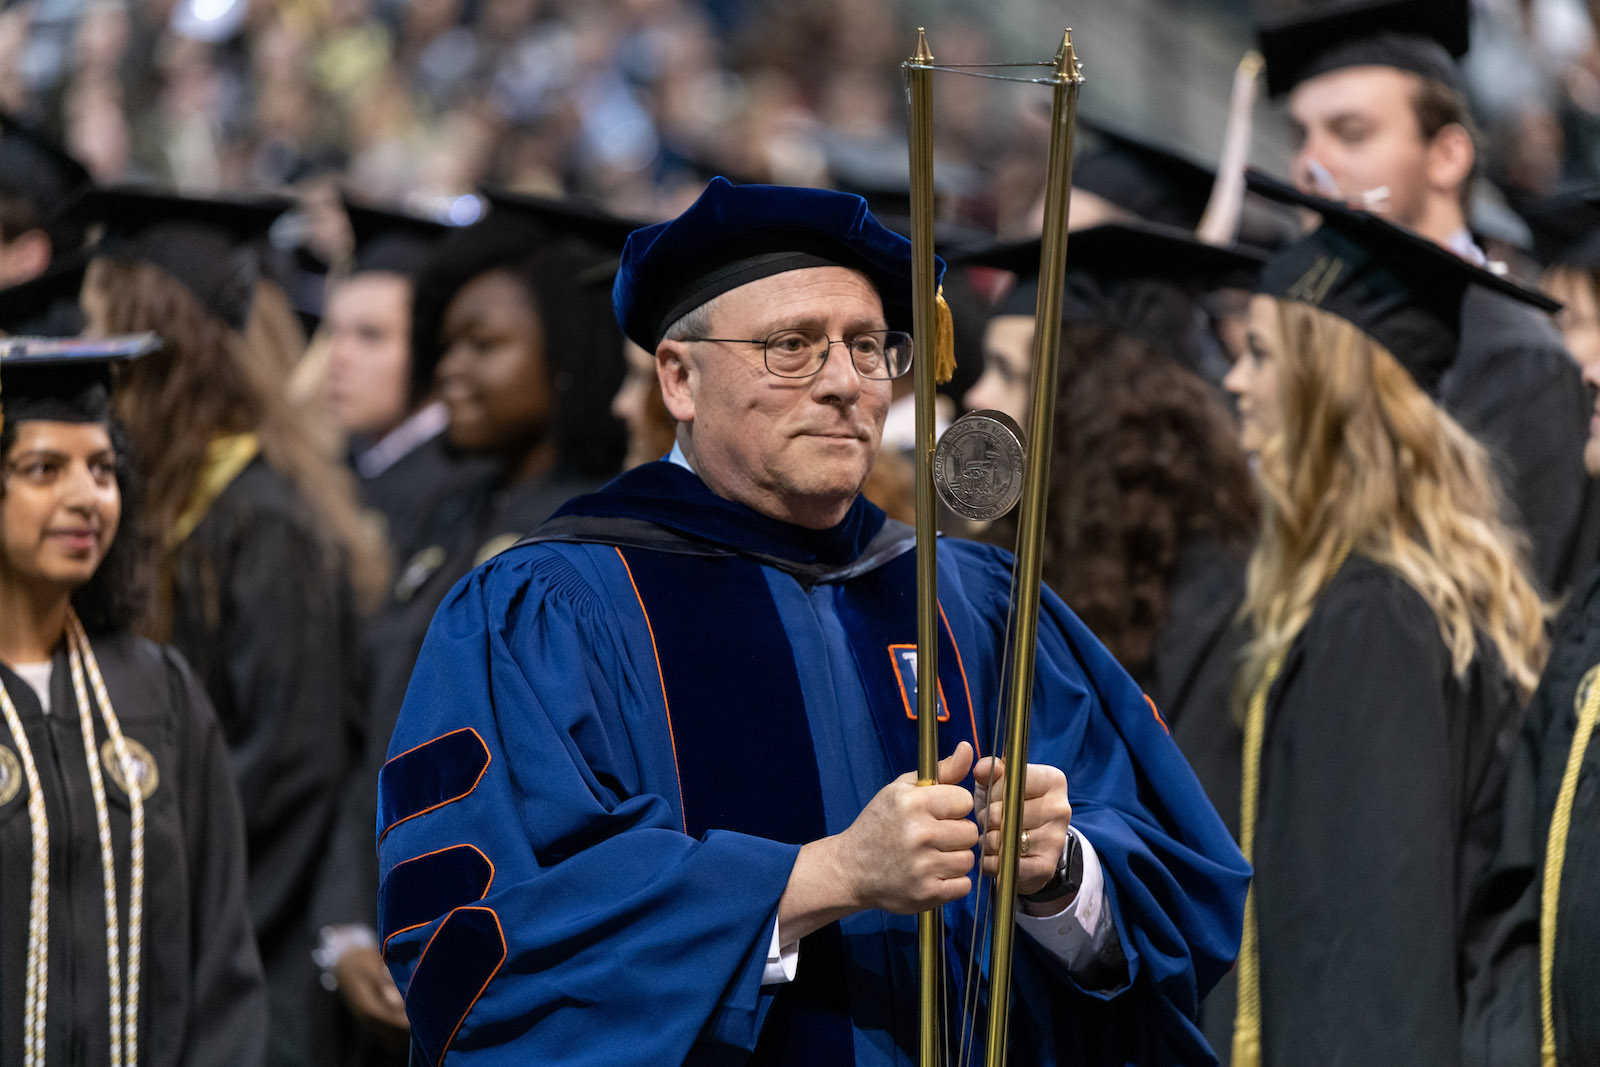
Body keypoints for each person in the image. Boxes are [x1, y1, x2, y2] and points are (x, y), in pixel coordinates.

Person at [375, 177, 1250, 1066]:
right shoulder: (552, 607)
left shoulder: (972, 599)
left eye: (869, 348)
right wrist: (821, 877)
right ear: (678, 377)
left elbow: (1179, 896)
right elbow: (482, 934)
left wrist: (1058, 873)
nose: (843, 383)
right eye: (791, 346)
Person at [1217, 174, 1551, 1066]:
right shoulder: (1397, 593)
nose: (1235, 379)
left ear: (1327, 385)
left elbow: (1371, 952)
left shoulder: (1379, 615)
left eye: (1260, 352)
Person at [309, 190, 629, 1065]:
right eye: (447, 342)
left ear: (566, 355)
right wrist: (346, 927)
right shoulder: (441, 509)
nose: (450, 368)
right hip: (378, 953)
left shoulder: (587, 539)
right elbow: (371, 742)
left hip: (502, 978)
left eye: (485, 346)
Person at [72, 186, 386, 1067]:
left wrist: (151, 904)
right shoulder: (167, 499)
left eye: (104, 319)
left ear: (148, 336)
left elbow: (289, 772)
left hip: (237, 969)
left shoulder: (261, 525)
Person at [1254, 0, 1600, 595]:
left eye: (1351, 133)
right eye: (1300, 137)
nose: (1311, 165)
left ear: (1447, 156)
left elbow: (1517, 616)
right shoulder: (1302, 335)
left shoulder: (1518, 357)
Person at [0, 335, 266, 1065]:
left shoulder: (160, 692)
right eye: (43, 469)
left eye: (103, 469)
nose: (86, 496)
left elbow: (222, 958)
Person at [956, 222, 1260, 754]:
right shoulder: (1004, 559)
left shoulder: (1217, 600)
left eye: (1008, 371)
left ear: (1084, 407)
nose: (976, 395)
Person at [325, 196, 481, 562]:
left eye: (371, 335)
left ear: (434, 349)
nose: (338, 358)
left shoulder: (461, 491)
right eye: (333, 332)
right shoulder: (332, 465)